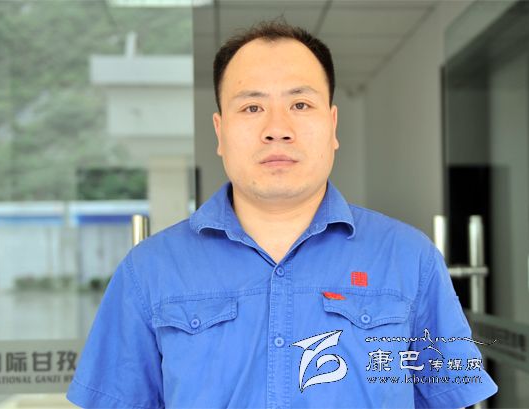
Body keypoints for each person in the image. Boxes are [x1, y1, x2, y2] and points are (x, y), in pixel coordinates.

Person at [67, 20, 498, 409]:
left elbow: (450, 400)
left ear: (333, 125)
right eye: (252, 107)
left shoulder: (410, 259)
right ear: (220, 131)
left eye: (300, 105)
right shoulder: (149, 272)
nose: (277, 129)